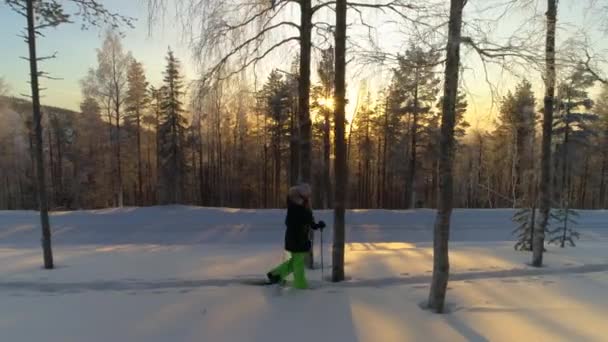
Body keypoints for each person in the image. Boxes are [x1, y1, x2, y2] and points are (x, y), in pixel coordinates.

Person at [266, 183, 325, 289]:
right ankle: (300, 285)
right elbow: (301, 222)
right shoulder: (297, 208)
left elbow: (309, 222)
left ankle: (275, 275)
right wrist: (313, 224)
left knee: (295, 262)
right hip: (297, 240)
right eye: (307, 196)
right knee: (298, 265)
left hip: (297, 239)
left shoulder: (298, 206)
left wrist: (317, 225)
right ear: (302, 195)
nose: (308, 198)